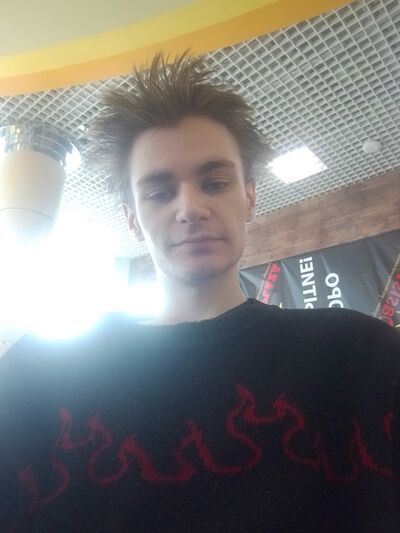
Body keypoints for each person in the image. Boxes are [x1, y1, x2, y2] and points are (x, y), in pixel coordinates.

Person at [0, 51, 399, 533]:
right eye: (159, 192)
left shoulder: (360, 358)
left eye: (215, 182)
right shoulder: (41, 373)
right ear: (132, 219)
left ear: (249, 196)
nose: (190, 208)